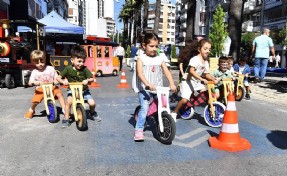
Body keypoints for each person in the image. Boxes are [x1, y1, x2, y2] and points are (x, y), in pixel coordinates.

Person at [133, 33, 176, 141]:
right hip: (144, 88)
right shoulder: (141, 58)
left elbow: (166, 71)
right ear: (144, 46)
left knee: (163, 104)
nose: (154, 49)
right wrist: (147, 83)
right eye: (151, 46)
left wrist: (171, 83)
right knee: (145, 107)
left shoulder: (160, 58)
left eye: (156, 46)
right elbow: (140, 73)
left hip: (158, 88)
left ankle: (159, 119)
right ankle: (139, 130)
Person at [170, 39, 218, 120]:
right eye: (205, 49)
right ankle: (174, 113)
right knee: (184, 100)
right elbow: (191, 71)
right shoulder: (195, 59)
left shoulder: (205, 62)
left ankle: (207, 109)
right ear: (199, 49)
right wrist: (201, 79)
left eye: (209, 49)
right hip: (187, 82)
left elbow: (206, 74)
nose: (207, 51)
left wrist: (213, 79)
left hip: (196, 82)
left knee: (208, 94)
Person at [56, 45, 101, 128]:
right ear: (72, 60)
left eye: (83, 61)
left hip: (84, 91)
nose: (81, 64)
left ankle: (92, 113)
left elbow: (92, 79)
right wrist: (63, 81)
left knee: (92, 103)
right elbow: (58, 78)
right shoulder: (68, 69)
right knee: (68, 102)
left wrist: (87, 80)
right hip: (72, 91)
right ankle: (66, 119)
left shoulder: (85, 69)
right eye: (79, 61)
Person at [24, 50, 65, 119]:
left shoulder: (50, 68)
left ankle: (64, 109)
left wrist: (56, 81)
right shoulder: (35, 72)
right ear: (33, 62)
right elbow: (30, 82)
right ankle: (31, 110)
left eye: (42, 61)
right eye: (37, 62)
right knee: (36, 100)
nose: (40, 64)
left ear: (45, 59)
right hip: (40, 89)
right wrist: (35, 82)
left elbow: (56, 78)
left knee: (59, 94)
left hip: (51, 87)